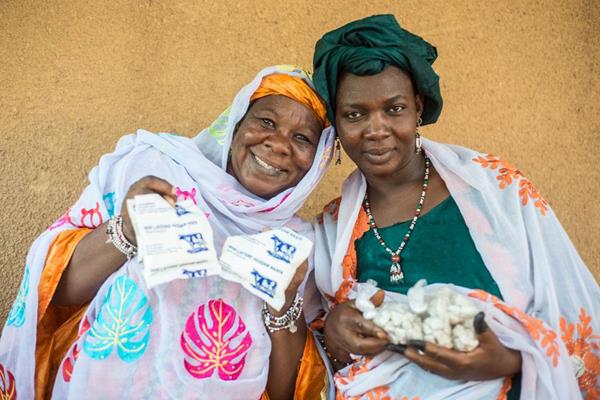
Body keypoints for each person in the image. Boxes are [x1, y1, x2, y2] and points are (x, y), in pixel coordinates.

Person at [0, 65, 335, 400]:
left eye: (302, 137)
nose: (278, 144)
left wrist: (285, 302)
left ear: (317, 160)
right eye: (266, 121)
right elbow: (56, 293)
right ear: (235, 126)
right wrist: (127, 230)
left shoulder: (299, 246)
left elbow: (284, 391)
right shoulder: (151, 169)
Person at [311, 15, 599, 400]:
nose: (375, 129)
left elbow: (575, 317)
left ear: (418, 107)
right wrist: (332, 331)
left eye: (393, 109)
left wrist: (509, 360)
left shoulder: (495, 191)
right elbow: (320, 356)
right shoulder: (333, 230)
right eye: (355, 114)